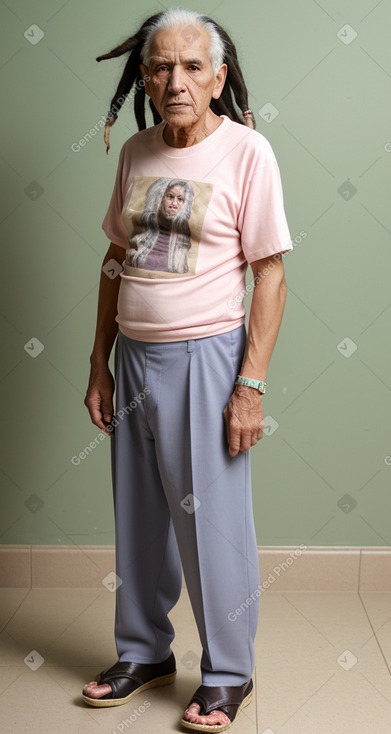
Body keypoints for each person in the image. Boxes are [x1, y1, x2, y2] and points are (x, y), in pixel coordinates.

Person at [82, 7, 293, 731]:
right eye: (161, 67)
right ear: (145, 76)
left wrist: (250, 386)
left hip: (209, 359)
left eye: (192, 67)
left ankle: (228, 671)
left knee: (213, 526)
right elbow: (114, 258)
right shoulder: (137, 152)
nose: (176, 80)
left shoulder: (245, 154)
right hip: (134, 358)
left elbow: (269, 274)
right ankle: (143, 652)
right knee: (139, 521)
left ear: (217, 77)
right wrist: (98, 363)